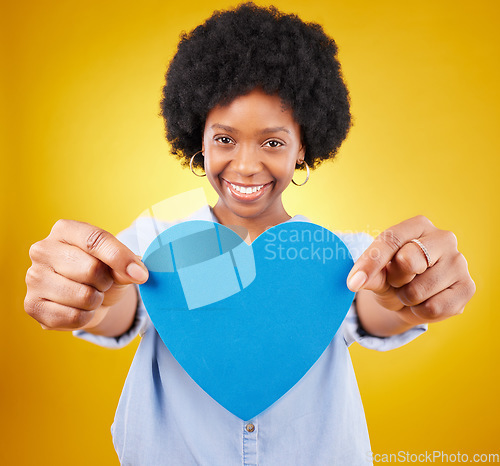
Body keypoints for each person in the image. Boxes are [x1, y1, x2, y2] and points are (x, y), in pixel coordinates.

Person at [24, 3, 475, 464]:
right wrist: (88, 297)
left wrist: (406, 294)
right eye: (224, 139)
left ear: (303, 149)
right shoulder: (162, 240)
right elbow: (122, 306)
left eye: (273, 142)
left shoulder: (334, 255)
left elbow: (376, 308)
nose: (244, 165)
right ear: (198, 138)